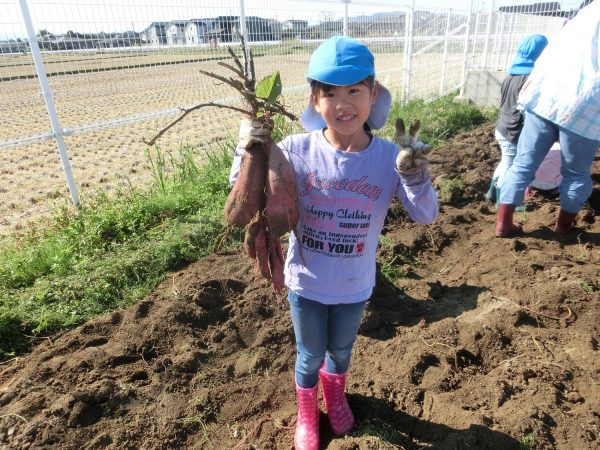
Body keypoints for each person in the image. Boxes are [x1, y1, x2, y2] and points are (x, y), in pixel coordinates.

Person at [229, 36, 438, 450]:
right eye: (330, 93)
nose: (343, 103)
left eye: (354, 91)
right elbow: (243, 195)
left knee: (340, 351)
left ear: (373, 94)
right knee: (309, 355)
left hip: (355, 285)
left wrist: (415, 175)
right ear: (314, 99)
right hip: (306, 281)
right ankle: (308, 412)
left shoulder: (386, 158)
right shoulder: (294, 151)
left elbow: (426, 215)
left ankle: (336, 393)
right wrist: (248, 149)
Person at [496, 0, 600, 237]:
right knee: (576, 173)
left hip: (548, 91)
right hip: (587, 102)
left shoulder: (586, 12)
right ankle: (563, 228)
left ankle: (504, 224)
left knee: (522, 164)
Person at [486, 34, 548, 205]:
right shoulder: (531, 79)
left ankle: (492, 193)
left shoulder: (511, 75)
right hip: (514, 131)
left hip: (503, 127)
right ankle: (503, 201)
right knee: (511, 166)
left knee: (505, 161)